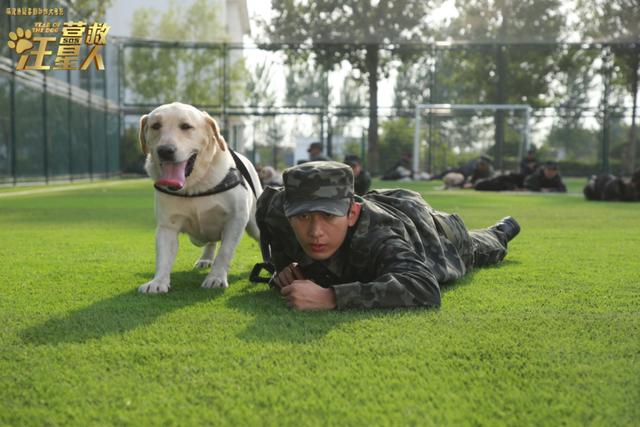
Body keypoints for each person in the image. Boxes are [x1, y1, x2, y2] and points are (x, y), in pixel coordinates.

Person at [255, 161, 520, 311]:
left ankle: (501, 230)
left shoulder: (378, 236)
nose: (315, 231)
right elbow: (274, 230)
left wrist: (331, 297)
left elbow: (424, 288)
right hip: (382, 200)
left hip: (432, 231)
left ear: (351, 213)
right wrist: (283, 270)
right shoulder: (278, 212)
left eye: (328, 215)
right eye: (303, 217)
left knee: (474, 247)